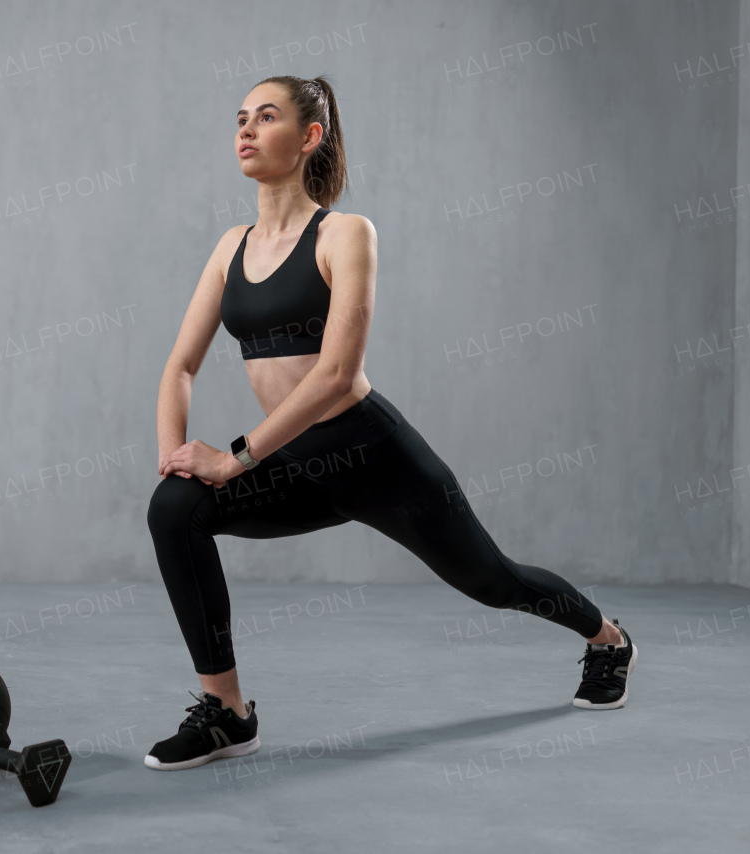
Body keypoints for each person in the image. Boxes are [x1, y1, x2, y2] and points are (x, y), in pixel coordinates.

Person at [143, 75, 636, 772]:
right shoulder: (231, 247)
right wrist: (176, 457)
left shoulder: (346, 234)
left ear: (310, 137)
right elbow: (180, 367)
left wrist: (234, 457)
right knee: (175, 506)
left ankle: (608, 639)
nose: (246, 130)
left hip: (371, 454)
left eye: (267, 116)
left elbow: (338, 374)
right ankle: (226, 712)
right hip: (293, 462)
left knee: (493, 581)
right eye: (240, 118)